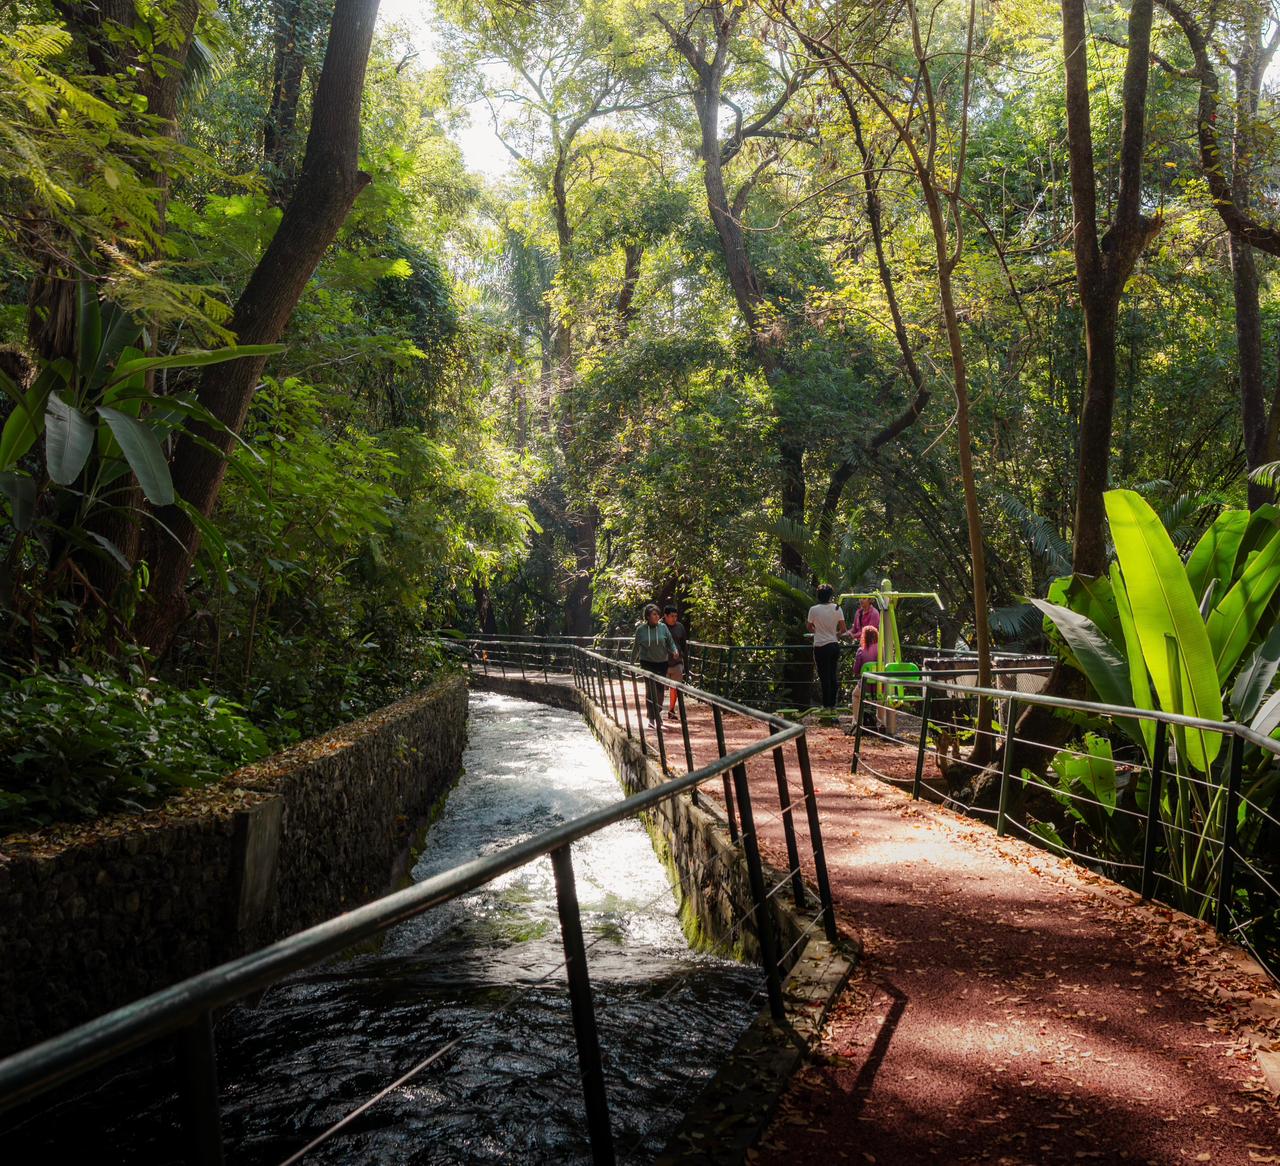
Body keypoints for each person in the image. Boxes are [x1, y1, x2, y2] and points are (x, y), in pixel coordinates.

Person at [632, 603, 678, 725]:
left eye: (658, 614)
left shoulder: (663, 628)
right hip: (647, 662)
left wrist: (674, 651)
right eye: (654, 614)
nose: (657, 616)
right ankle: (652, 717)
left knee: (659, 690)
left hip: (662, 662)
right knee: (650, 690)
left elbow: (670, 642)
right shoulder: (640, 630)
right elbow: (636, 647)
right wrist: (631, 663)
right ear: (647, 616)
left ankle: (657, 713)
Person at [806, 584, 847, 708]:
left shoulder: (813, 609)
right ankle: (833, 705)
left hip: (820, 646)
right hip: (834, 645)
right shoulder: (836, 608)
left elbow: (809, 626)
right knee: (833, 676)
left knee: (824, 677)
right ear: (830, 596)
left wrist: (817, 632)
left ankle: (826, 706)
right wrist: (836, 635)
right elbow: (843, 629)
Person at [663, 605, 688, 721]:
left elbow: (684, 646)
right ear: (665, 616)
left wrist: (686, 665)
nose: (674, 618)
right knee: (659, 689)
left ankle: (671, 710)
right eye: (672, 616)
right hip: (662, 663)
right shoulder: (659, 627)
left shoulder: (680, 627)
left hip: (677, 663)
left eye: (676, 616)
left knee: (675, 688)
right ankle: (656, 711)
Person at [852, 625, 880, 728]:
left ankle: (857, 722)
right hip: (881, 685)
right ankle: (882, 723)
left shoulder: (861, 650)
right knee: (882, 698)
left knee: (855, 695)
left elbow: (856, 670)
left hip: (866, 685)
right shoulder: (882, 649)